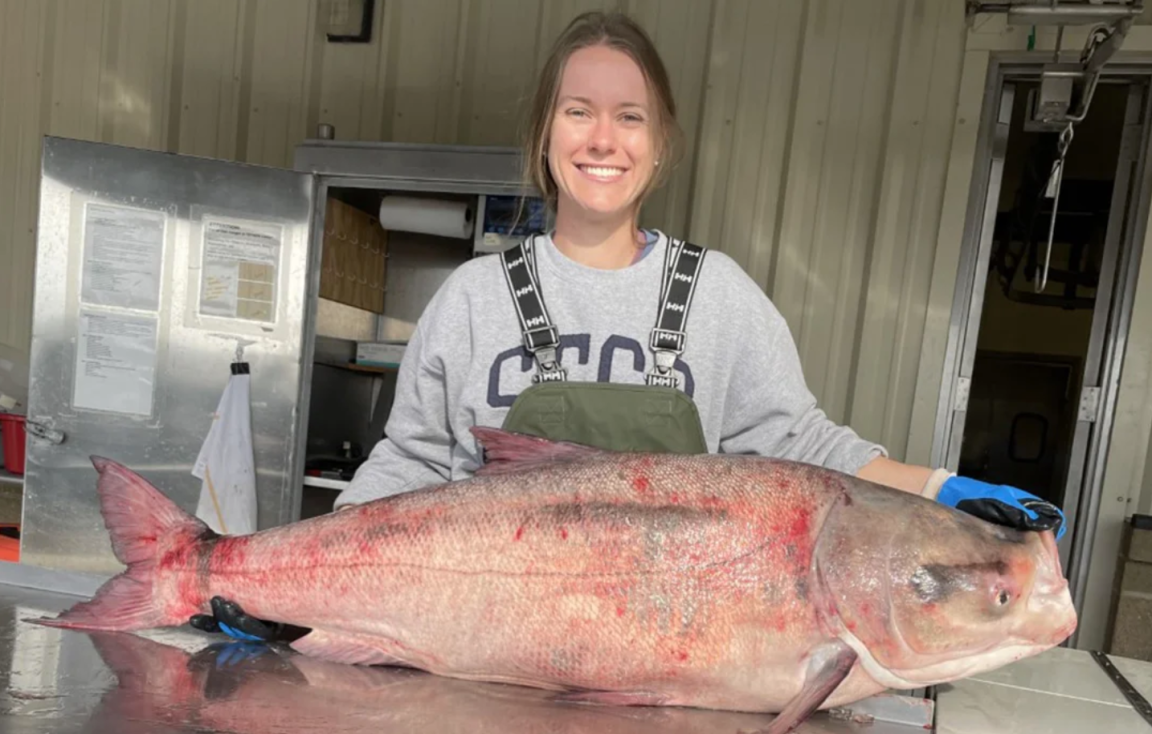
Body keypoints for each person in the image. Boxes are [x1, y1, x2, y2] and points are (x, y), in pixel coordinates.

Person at [195, 11, 1065, 643]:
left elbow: (800, 444)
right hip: (475, 661)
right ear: (545, 132)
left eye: (630, 115)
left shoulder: (718, 297)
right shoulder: (472, 296)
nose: (602, 138)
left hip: (665, 671)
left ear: (662, 142)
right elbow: (412, 462)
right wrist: (295, 589)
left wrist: (942, 488)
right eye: (578, 111)